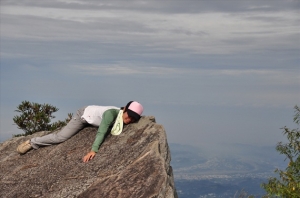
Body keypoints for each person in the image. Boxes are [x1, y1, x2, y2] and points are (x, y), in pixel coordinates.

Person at [16, 101, 144, 162]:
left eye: (134, 118)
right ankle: (32, 143)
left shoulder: (121, 118)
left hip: (92, 118)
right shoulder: (112, 114)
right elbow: (101, 132)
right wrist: (93, 150)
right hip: (83, 115)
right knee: (61, 137)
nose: (130, 119)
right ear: (125, 109)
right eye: (129, 114)